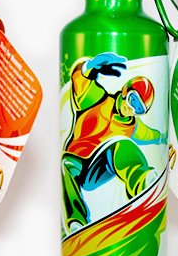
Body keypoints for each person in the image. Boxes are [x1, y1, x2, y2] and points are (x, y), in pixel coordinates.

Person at [61, 53, 162, 234]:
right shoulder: (97, 98)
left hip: (98, 168)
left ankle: (142, 182)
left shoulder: (131, 126)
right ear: (125, 91)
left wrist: (162, 137)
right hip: (78, 161)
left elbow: (149, 134)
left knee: (122, 144)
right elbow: (80, 81)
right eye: (132, 100)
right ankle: (76, 220)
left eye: (138, 109)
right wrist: (89, 67)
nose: (131, 109)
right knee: (66, 165)